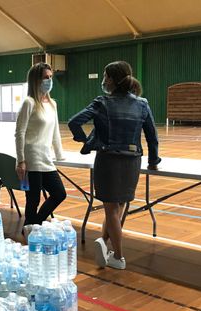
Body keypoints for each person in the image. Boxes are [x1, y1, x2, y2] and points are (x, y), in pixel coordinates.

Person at [68, 60, 161, 270]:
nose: (103, 80)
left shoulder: (102, 102)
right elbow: (152, 137)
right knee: (119, 208)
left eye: (104, 76)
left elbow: (74, 121)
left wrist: (82, 139)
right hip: (132, 162)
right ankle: (103, 243)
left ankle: (118, 258)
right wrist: (153, 161)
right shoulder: (142, 104)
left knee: (111, 210)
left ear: (110, 79)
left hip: (108, 160)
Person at [15, 62, 66, 232]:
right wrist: (21, 160)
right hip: (32, 158)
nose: (49, 80)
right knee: (33, 199)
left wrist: (60, 155)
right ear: (36, 80)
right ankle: (31, 230)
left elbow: (55, 132)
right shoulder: (29, 103)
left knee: (59, 193)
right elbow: (20, 133)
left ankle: (32, 226)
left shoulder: (53, 104)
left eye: (51, 77)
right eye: (46, 77)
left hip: (46, 158)